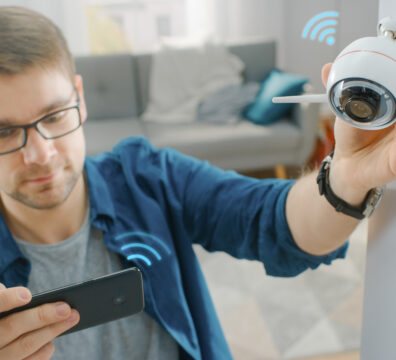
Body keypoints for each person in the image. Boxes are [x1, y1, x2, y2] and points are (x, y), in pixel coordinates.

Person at [0, 5, 390, 360]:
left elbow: (275, 221)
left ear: (80, 99)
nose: (40, 154)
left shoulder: (148, 178)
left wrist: (343, 178)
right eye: (4, 133)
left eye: (54, 117)